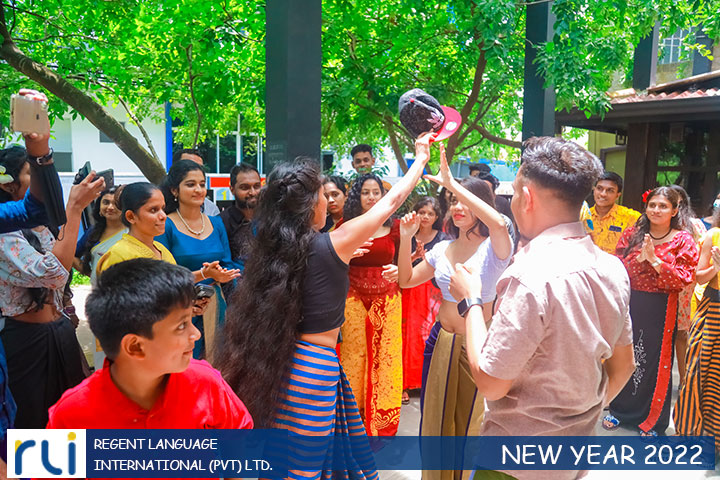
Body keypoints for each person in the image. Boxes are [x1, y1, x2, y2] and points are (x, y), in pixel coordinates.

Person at [218, 133, 434, 480]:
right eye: (323, 195)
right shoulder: (331, 243)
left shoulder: (274, 249)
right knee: (304, 468)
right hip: (314, 368)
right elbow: (390, 202)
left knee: (289, 462)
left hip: (281, 360)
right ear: (309, 205)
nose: (328, 202)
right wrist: (420, 159)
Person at [449, 136, 635, 480]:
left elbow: (490, 383)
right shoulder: (612, 268)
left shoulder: (530, 275)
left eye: (515, 193)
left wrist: (471, 300)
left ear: (528, 197)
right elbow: (623, 366)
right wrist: (578, 416)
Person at [47, 259, 253, 450]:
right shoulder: (71, 416)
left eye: (190, 320)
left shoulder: (207, 383)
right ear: (135, 347)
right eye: (181, 326)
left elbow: (240, 445)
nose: (196, 334)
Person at [398, 146, 513, 480]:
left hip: (477, 343)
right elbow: (406, 280)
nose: (458, 208)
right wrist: (405, 239)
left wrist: (453, 184)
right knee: (434, 423)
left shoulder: (495, 249)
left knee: (470, 424)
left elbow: (499, 223)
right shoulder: (442, 248)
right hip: (440, 341)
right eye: (453, 201)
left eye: (465, 202)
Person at [0, 143, 104, 429]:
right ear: (8, 185)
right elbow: (54, 274)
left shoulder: (41, 224)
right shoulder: (4, 233)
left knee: (71, 417)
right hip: (25, 343)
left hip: (60, 331)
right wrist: (74, 209)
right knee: (34, 425)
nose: (44, 184)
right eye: (33, 175)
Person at [606, 186, 699, 436]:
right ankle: (618, 410)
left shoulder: (683, 240)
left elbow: (683, 278)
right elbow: (618, 268)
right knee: (624, 355)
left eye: (663, 206)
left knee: (655, 363)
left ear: (674, 210)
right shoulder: (632, 234)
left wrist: (655, 260)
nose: (656, 210)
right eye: (652, 205)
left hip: (661, 307)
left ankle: (652, 420)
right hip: (631, 303)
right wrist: (640, 260)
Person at [340, 172, 404, 436]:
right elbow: (334, 257)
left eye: (376, 192)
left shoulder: (397, 227)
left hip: (387, 297)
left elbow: (405, 265)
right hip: (352, 295)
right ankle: (352, 417)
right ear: (357, 196)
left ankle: (382, 421)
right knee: (352, 355)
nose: (371, 197)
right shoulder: (346, 224)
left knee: (385, 356)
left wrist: (401, 268)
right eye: (365, 192)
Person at [157, 160, 240, 360]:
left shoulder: (216, 223)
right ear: (174, 190)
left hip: (215, 304)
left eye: (202, 184)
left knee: (217, 363)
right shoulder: (165, 225)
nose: (198, 190)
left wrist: (224, 275)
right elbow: (163, 275)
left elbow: (226, 262)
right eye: (190, 184)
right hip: (181, 306)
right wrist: (203, 274)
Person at [673, 218, 720, 449]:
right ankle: (690, 434)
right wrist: (716, 268)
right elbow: (699, 277)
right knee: (697, 372)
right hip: (713, 310)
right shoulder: (714, 235)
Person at [400, 197, 449, 404]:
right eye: (422, 212)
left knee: (426, 336)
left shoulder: (444, 239)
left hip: (432, 294)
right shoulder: (407, 235)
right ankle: (403, 382)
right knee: (405, 336)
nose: (426, 217)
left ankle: (426, 381)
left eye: (430, 213)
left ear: (436, 217)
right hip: (408, 293)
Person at [669, 184, 706, 387]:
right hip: (660, 284)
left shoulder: (695, 225)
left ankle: (684, 380)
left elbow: (701, 255)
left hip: (685, 287)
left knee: (682, 333)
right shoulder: (658, 221)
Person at [73, 185, 127, 286]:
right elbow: (72, 255)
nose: (110, 207)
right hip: (99, 291)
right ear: (99, 207)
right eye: (106, 203)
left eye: (116, 204)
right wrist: (92, 274)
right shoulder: (93, 231)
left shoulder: (134, 231)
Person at [219, 163, 262, 269]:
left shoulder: (269, 217)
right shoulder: (221, 222)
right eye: (245, 188)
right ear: (232, 189)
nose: (253, 192)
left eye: (256, 186)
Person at [589, 171, 641, 254]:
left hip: (617, 261)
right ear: (594, 190)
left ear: (617, 195)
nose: (603, 194)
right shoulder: (584, 216)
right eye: (599, 188)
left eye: (610, 190)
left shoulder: (631, 217)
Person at [173, 148, 220, 216]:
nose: (196, 171)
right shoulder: (160, 207)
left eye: (202, 185)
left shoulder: (211, 210)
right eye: (190, 184)